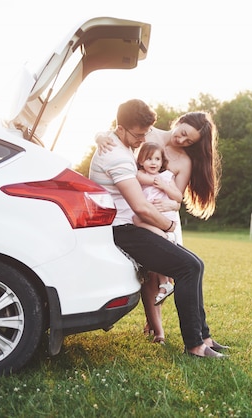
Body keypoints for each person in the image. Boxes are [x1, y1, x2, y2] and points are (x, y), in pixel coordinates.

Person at [89, 99, 227, 358]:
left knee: (195, 265)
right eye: (139, 135)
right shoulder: (117, 153)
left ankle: (203, 339)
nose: (143, 140)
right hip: (125, 227)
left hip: (135, 224)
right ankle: (195, 345)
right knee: (188, 267)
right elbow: (140, 208)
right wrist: (169, 225)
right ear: (122, 130)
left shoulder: (124, 144)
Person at [133, 141, 181, 306]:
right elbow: (140, 178)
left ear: (162, 161)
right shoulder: (139, 175)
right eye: (148, 159)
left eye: (157, 159)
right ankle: (164, 283)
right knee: (139, 223)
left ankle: (164, 237)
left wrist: (164, 186)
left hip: (164, 216)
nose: (153, 162)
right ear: (141, 161)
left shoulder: (167, 176)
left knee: (137, 220)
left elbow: (178, 197)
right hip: (152, 216)